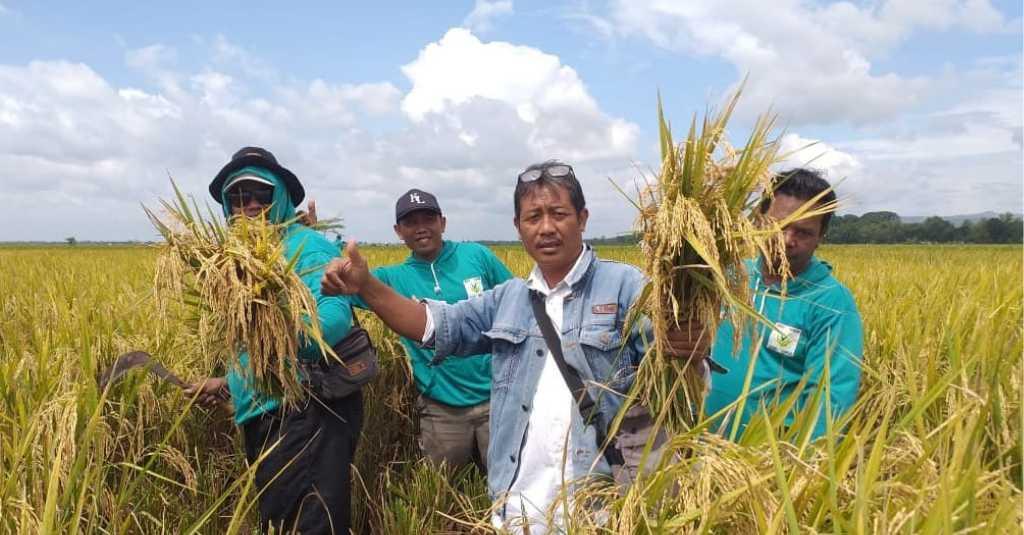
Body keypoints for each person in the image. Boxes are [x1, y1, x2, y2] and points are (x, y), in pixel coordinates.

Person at [320, 160, 710, 534]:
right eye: (533, 217)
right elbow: (435, 326)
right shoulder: (508, 299)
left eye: (558, 214)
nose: (546, 228)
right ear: (518, 227)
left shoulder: (627, 286)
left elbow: (678, 382)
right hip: (520, 511)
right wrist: (367, 287)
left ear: (583, 219)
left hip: (601, 511)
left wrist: (689, 349)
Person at [185, 146, 362, 534]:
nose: (248, 205)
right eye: (237, 196)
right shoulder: (241, 259)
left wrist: (276, 334)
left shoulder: (304, 244)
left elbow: (333, 320)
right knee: (281, 520)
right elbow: (253, 349)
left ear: (280, 197)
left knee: (308, 525)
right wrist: (230, 383)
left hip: (305, 411)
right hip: (266, 412)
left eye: (260, 195)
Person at [704, 168, 864, 440]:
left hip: (767, 463)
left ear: (820, 239)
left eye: (804, 232)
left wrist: (796, 471)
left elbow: (829, 401)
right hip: (700, 445)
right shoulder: (728, 277)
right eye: (778, 225)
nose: (788, 240)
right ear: (757, 222)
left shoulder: (832, 303)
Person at [368, 188, 512, 470]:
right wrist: (313, 239)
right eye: (411, 222)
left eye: (428, 219)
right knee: (443, 491)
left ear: (442, 223)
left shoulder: (477, 256)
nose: (421, 228)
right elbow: (341, 282)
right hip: (440, 409)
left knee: (508, 486)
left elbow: (518, 300)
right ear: (398, 231)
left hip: (496, 399)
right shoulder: (391, 278)